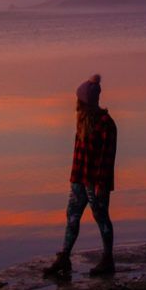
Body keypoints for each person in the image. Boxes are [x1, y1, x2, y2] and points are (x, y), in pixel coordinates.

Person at [44, 74, 117, 278]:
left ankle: (108, 259)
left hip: (95, 182)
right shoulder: (82, 121)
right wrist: (74, 180)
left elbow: (106, 158)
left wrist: (100, 184)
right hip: (79, 178)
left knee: (101, 218)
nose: (76, 103)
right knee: (72, 216)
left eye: (78, 99)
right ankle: (64, 257)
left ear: (85, 101)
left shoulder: (106, 123)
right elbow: (78, 154)